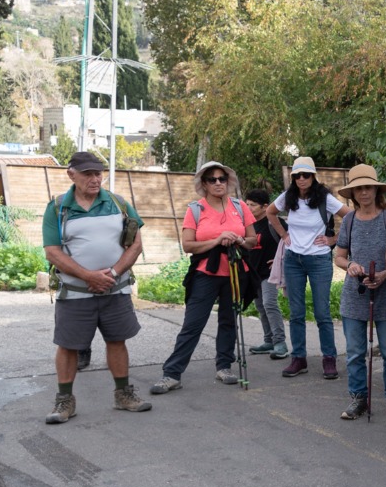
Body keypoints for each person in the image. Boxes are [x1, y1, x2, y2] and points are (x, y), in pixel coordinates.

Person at [42, 151, 150, 423]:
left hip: (115, 290)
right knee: (68, 346)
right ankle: (65, 400)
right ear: (71, 174)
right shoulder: (57, 208)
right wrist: (88, 276)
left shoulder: (118, 202)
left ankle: (123, 394)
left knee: (117, 340)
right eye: (87, 174)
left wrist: (112, 273)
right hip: (76, 293)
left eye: (98, 173)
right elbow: (52, 252)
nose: (95, 178)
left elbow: (136, 244)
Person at [150, 162, 257, 394]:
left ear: (228, 181)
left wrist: (238, 240)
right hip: (205, 274)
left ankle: (224, 366)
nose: (218, 183)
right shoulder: (195, 209)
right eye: (212, 179)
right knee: (193, 324)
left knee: (229, 320)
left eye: (222, 178)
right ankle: (172, 374)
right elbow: (188, 246)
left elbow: (252, 240)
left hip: (235, 272)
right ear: (204, 184)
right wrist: (218, 240)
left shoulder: (240, 207)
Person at [333, 165, 386, 420]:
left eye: (368, 187)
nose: (364, 192)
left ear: (376, 189)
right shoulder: (350, 220)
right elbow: (339, 256)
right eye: (358, 188)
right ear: (352, 193)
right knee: (355, 352)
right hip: (356, 293)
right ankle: (358, 398)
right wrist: (351, 265)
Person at [266, 157, 351, 380]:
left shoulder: (325, 198)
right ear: (293, 178)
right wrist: (284, 235)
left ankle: (329, 359)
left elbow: (351, 216)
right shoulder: (288, 197)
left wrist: (334, 240)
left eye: (306, 175)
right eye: (297, 175)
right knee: (296, 313)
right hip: (293, 259)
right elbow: (270, 212)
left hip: (319, 261)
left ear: (313, 176)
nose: (301, 179)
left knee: (322, 313)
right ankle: (299, 359)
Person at [243, 189, 288, 360]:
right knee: (261, 306)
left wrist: (280, 261)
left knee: (270, 303)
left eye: (253, 205)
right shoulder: (248, 225)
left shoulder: (274, 223)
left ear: (265, 207)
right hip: (253, 273)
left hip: (270, 273)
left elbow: (289, 242)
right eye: (247, 204)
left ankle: (280, 343)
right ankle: (268, 340)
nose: (248, 208)